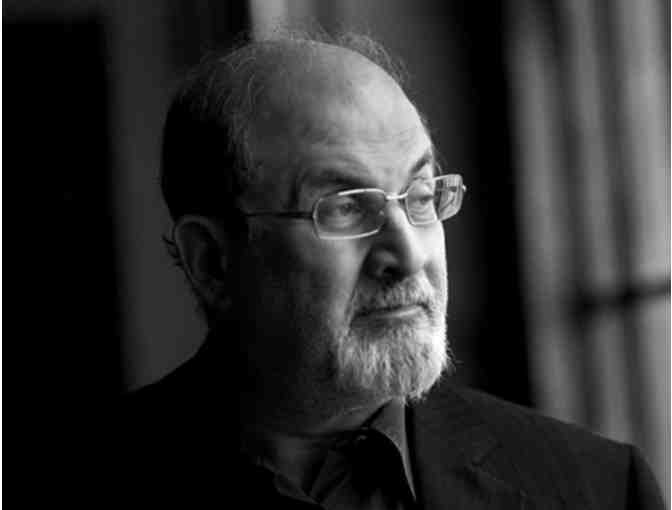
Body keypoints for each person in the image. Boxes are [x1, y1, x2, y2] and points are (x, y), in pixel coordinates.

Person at [119, 31, 665, 509]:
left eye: (421, 196)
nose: (408, 255)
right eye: (345, 207)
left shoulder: (599, 488)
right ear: (213, 261)